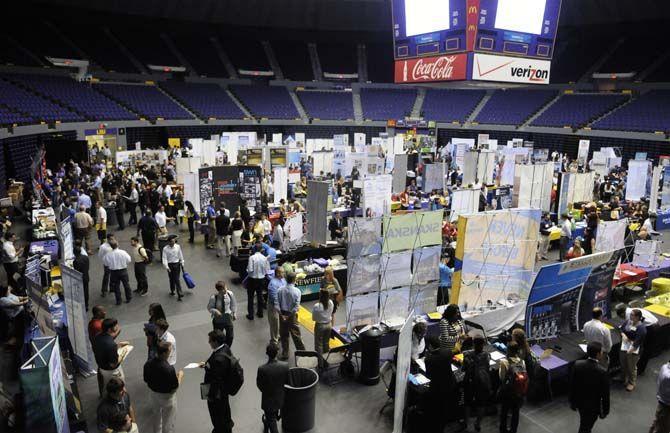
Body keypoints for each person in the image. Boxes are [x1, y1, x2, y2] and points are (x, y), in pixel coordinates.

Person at [424, 336, 463, 432]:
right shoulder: (448, 352)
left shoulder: (429, 359)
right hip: (450, 383)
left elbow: (428, 375)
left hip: (437, 387)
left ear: (430, 346)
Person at [569, 341, 610, 433]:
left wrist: (572, 401)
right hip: (592, 407)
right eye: (601, 352)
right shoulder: (602, 372)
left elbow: (572, 385)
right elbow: (605, 394)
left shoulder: (577, 364)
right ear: (598, 354)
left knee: (584, 422)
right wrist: (605, 411)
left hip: (580, 402)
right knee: (586, 427)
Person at [143, 341, 183, 433]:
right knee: (168, 421)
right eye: (170, 351)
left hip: (153, 395)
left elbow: (146, 379)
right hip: (167, 398)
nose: (171, 352)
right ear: (164, 353)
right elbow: (174, 387)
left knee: (156, 416)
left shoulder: (148, 364)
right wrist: (180, 376)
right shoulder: (169, 369)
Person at [201, 330, 234, 433]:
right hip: (224, 390)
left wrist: (210, 396)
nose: (208, 342)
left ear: (215, 342)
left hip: (217, 394)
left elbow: (216, 381)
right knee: (225, 411)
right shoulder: (225, 348)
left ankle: (220, 429)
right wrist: (207, 365)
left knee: (217, 414)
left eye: (210, 340)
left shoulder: (218, 360)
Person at [256, 342, 289, 433]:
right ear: (277, 352)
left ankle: (268, 423)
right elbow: (287, 381)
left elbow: (259, 385)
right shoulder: (285, 366)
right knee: (273, 415)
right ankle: (266, 423)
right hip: (280, 398)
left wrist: (267, 391)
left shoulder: (262, 369)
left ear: (267, 353)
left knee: (272, 421)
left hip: (268, 400)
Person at [462, 335, 492, 432]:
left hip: (470, 382)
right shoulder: (487, 355)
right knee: (481, 404)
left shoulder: (466, 354)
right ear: (483, 344)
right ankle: (478, 423)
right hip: (482, 383)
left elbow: (463, 368)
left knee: (467, 403)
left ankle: (466, 422)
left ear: (473, 344)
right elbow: (487, 367)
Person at [498, 341, 526, 433]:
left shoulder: (504, 362)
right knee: (515, 412)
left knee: (504, 412)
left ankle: (503, 430)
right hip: (518, 392)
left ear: (508, 350)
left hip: (507, 392)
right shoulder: (522, 361)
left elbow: (502, 378)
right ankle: (513, 430)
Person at [93, 318, 130, 387]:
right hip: (111, 372)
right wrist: (123, 354)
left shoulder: (97, 336)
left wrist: (118, 345)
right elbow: (113, 364)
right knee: (118, 387)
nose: (118, 326)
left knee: (105, 387)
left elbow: (104, 348)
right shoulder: (111, 345)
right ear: (110, 329)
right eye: (116, 326)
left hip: (101, 367)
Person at [277, 272, 305, 360]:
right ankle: (302, 352)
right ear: (294, 280)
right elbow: (296, 306)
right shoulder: (297, 291)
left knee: (284, 334)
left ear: (285, 279)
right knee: (296, 334)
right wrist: (289, 316)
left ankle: (285, 353)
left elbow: (276, 304)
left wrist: (281, 315)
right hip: (292, 315)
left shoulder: (280, 290)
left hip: (282, 314)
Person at [619, 308, 647, 392]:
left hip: (634, 349)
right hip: (625, 346)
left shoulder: (641, 328)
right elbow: (621, 328)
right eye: (630, 314)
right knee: (623, 364)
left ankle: (631, 382)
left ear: (638, 317)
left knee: (631, 367)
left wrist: (631, 350)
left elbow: (638, 341)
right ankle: (623, 378)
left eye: (632, 315)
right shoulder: (628, 321)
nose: (630, 316)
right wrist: (623, 334)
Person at [103, 239, 133, 305]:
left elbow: (106, 263)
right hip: (123, 270)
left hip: (114, 272)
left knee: (116, 286)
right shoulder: (123, 252)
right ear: (117, 244)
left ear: (111, 246)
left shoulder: (108, 255)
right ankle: (128, 298)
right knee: (126, 284)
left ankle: (118, 301)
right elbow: (129, 260)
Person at [207, 281, 237, 347]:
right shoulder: (214, 298)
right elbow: (209, 308)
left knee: (230, 336)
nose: (225, 290)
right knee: (218, 337)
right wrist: (215, 311)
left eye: (225, 287)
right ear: (219, 290)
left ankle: (227, 348)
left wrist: (234, 313)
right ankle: (220, 348)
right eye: (223, 289)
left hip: (227, 317)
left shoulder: (230, 294)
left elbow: (233, 304)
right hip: (218, 319)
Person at [246, 240, 270, 319]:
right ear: (261, 250)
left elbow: (250, 269)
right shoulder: (264, 258)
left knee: (250, 297)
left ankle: (251, 315)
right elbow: (267, 271)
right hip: (261, 280)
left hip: (252, 279)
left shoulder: (251, 258)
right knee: (260, 296)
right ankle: (260, 313)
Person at [311, 290, 334, 357]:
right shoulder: (331, 302)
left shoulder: (317, 306)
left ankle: (321, 363)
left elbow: (313, 318)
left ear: (320, 296)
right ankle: (326, 361)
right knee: (326, 343)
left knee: (319, 345)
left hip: (320, 326)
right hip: (329, 325)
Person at [162, 235, 185, 301]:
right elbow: (164, 258)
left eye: (174, 241)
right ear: (169, 242)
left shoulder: (177, 246)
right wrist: (166, 267)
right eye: (172, 241)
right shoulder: (165, 249)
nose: (173, 242)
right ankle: (172, 289)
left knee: (177, 279)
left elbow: (180, 255)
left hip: (177, 264)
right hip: (170, 265)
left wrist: (182, 262)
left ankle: (180, 293)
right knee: (171, 279)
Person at [650, 360, 670, 433]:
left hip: (663, 404)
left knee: (657, 421)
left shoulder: (664, 367)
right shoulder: (667, 376)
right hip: (666, 406)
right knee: (663, 427)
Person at [267, 266, 286, 344]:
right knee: (274, 322)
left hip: (282, 304)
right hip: (274, 307)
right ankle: (274, 340)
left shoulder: (283, 280)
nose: (284, 274)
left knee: (280, 322)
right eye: (282, 272)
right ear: (278, 273)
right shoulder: (273, 284)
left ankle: (279, 335)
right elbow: (274, 298)